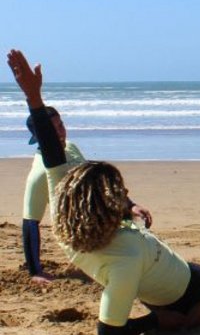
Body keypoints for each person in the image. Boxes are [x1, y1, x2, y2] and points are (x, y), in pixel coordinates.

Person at [7, 50, 200, 335]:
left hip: (168, 273)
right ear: (102, 207)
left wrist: (34, 98)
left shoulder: (68, 213)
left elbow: (51, 152)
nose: (119, 199)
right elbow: (109, 332)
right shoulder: (121, 264)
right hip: (187, 286)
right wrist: (156, 320)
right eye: (114, 196)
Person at [21, 105, 152, 284]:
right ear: (39, 136)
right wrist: (35, 271)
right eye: (52, 130)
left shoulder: (71, 148)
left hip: (99, 216)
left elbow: (99, 183)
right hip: (79, 233)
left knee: (143, 245)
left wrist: (131, 206)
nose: (60, 133)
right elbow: (30, 222)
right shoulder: (40, 172)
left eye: (61, 126)